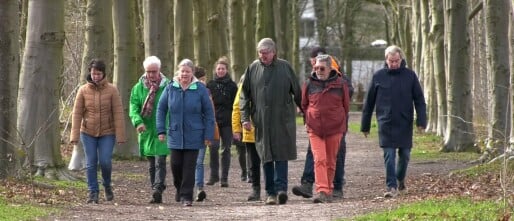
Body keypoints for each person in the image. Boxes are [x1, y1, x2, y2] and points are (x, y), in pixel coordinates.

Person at [240, 38, 302, 205]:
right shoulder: (252, 68)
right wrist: (245, 118)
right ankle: (270, 193)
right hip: (261, 120)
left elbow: (297, 90)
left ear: (274, 52)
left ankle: (281, 189)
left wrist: (303, 109)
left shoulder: (285, 67)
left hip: (282, 119)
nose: (262, 56)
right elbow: (244, 95)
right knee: (266, 155)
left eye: (266, 53)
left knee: (281, 154)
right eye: (260, 53)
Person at [360, 45, 427, 198]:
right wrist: (365, 125)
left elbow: (419, 100)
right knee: (389, 155)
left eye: (396, 61)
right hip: (386, 122)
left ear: (401, 59)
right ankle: (391, 186)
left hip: (404, 122)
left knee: (405, 154)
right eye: (391, 61)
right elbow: (369, 103)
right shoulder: (378, 76)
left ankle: (400, 179)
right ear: (386, 60)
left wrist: (421, 122)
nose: (394, 64)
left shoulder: (410, 76)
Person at [292, 46, 353, 199]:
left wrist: (340, 121)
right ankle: (322, 190)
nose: (318, 70)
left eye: (322, 68)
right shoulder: (309, 83)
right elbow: (304, 104)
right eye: (316, 67)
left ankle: (330, 188)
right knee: (319, 159)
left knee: (331, 161)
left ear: (330, 68)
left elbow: (345, 106)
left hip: (335, 128)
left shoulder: (341, 84)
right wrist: (308, 119)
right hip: (315, 128)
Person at [156, 59, 215, 206]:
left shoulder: (200, 89)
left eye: (188, 71)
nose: (185, 74)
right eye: (182, 71)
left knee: (189, 166)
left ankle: (187, 196)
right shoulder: (170, 87)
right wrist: (161, 130)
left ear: (192, 73)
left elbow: (209, 113)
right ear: (178, 72)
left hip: (195, 134)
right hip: (175, 134)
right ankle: (179, 188)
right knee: (175, 165)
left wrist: (208, 135)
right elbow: (161, 109)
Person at [70, 59, 126, 204]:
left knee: (105, 161)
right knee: (90, 162)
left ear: (103, 74)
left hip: (107, 132)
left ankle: (107, 185)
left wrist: (120, 135)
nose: (95, 76)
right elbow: (76, 114)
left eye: (98, 73)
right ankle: (92, 192)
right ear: (90, 73)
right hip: (87, 132)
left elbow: (118, 113)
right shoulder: (83, 90)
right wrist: (74, 136)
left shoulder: (112, 90)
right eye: (93, 73)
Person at [129, 56, 170, 204]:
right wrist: (138, 122)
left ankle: (157, 188)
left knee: (160, 159)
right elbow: (133, 108)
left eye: (154, 71)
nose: (151, 75)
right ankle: (156, 188)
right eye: (148, 72)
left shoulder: (168, 86)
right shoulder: (138, 88)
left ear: (159, 70)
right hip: (146, 129)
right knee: (152, 162)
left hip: (162, 129)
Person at [206, 57, 238, 187]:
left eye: (223, 69)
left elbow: (236, 104)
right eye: (218, 68)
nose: (220, 71)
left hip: (228, 122)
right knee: (213, 147)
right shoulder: (210, 85)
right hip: (213, 121)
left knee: (226, 149)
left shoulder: (232, 86)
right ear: (215, 70)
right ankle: (214, 176)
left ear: (227, 70)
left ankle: (224, 178)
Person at [193, 66, 220, 202]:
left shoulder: (206, 92)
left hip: (201, 131)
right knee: (193, 162)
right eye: (202, 79)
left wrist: (209, 132)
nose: (204, 82)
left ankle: (199, 188)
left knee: (198, 161)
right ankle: (190, 188)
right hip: (190, 131)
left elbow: (210, 113)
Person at [232, 74, 261, 201]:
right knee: (253, 162)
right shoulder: (244, 87)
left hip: (267, 131)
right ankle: (255, 189)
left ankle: (272, 189)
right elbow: (237, 107)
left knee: (268, 161)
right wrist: (237, 129)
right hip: (250, 131)